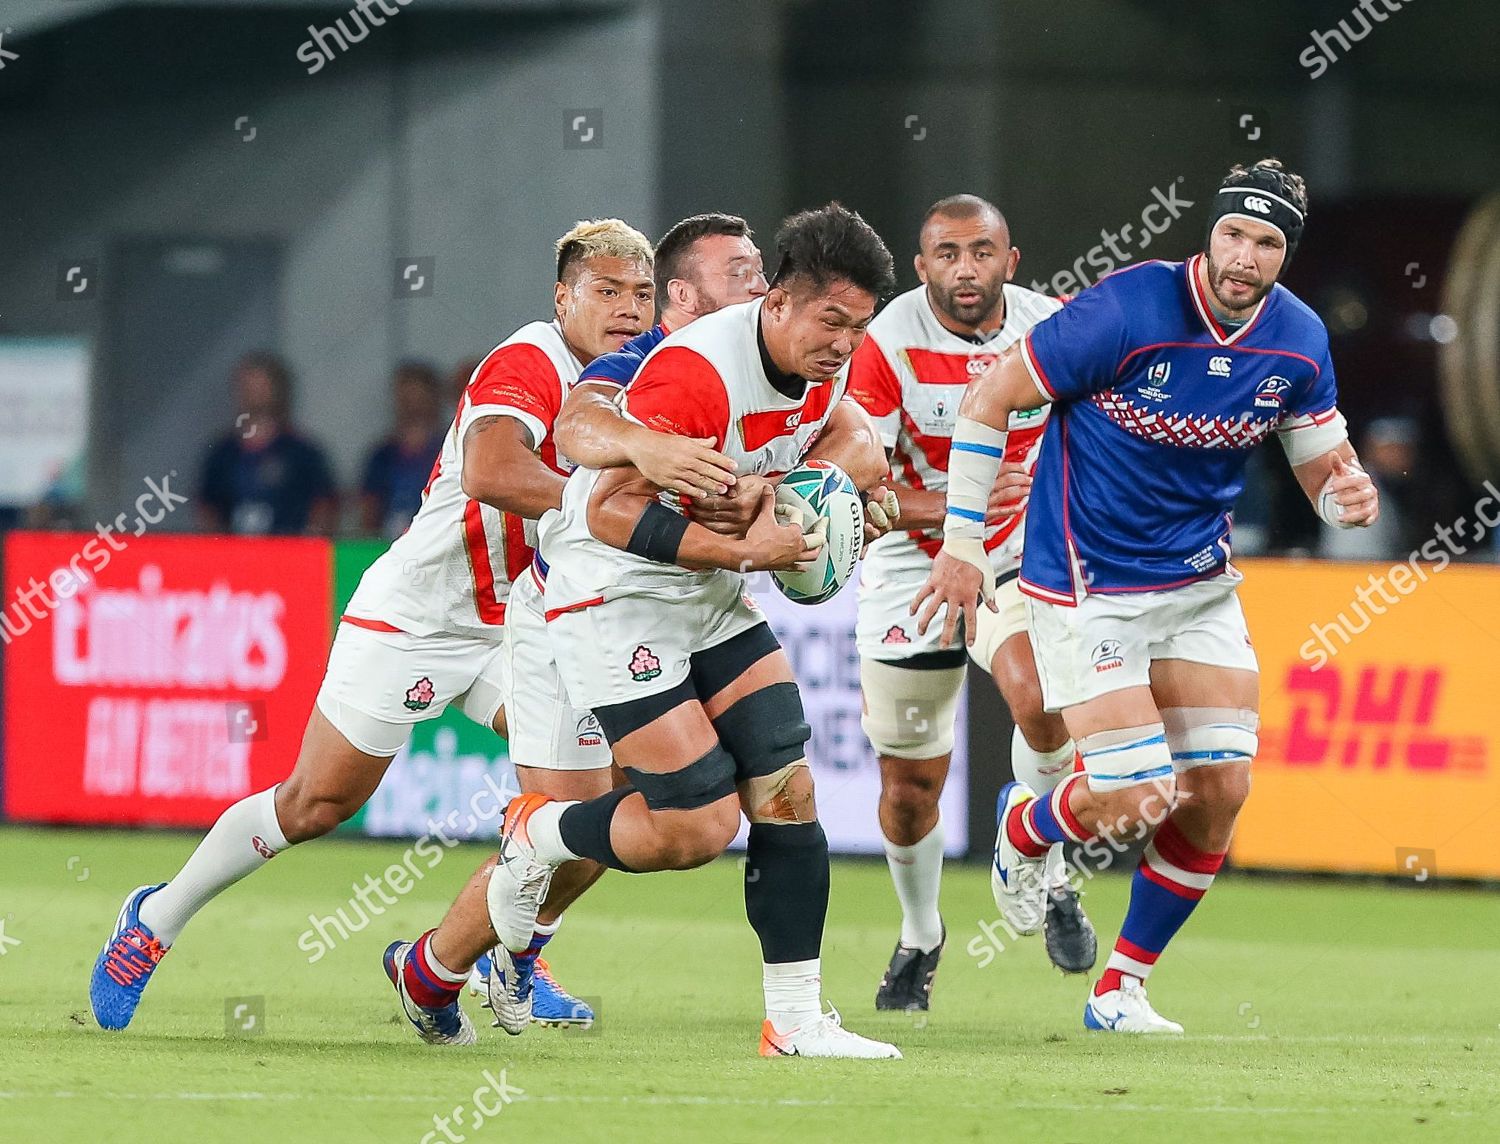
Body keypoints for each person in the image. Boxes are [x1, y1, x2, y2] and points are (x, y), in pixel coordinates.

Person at [88, 220, 674, 1043]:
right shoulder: (530, 361)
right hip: (425, 614)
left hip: (531, 625)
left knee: (593, 809)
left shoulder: (640, 378)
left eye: (640, 293)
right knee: (315, 803)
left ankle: (515, 954)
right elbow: (491, 471)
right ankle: (155, 918)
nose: (626, 308)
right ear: (562, 296)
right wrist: (609, 509)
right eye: (605, 291)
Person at [914, 160, 1380, 1034]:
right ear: (1210, 233)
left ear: (1286, 255)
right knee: (1135, 801)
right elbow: (990, 398)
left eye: (1267, 242)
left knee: (1220, 793)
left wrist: (1342, 498)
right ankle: (1027, 829)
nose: (1245, 255)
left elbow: (1324, 462)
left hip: (1198, 588)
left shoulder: (1300, 338)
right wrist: (963, 546)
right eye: (1233, 234)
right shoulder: (1127, 308)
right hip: (1088, 586)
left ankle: (1118, 990)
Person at [486, 203, 908, 1058]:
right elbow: (607, 514)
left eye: (859, 328)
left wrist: (813, 492)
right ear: (780, 301)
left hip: (704, 591)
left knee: (788, 782)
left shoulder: (822, 365)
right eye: (831, 321)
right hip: (612, 599)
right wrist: (745, 548)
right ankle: (537, 834)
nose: (843, 344)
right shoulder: (697, 373)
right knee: (694, 828)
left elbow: (847, 439)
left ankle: (793, 1022)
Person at [428, 211, 773, 1029]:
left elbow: (840, 435)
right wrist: (650, 460)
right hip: (567, 614)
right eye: (743, 274)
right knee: (318, 805)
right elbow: (577, 429)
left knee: (650, 815)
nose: (761, 289)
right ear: (685, 296)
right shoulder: (636, 366)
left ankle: (505, 953)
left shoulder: (757, 365)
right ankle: (437, 970)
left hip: (671, 612)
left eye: (764, 274)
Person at [847, 194, 1096, 1013]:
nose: (965, 270)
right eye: (947, 255)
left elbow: (1095, 439)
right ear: (921, 269)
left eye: (981, 252)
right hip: (910, 568)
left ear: (1010, 260)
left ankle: (1046, 870)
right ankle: (922, 934)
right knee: (911, 786)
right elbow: (865, 486)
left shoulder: (1052, 326)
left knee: (1042, 708)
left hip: (1020, 561)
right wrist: (961, 511)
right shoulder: (886, 342)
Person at [198, 352, 338, 536]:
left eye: (261, 386)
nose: (255, 393)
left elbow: (323, 504)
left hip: (288, 554)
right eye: (248, 387)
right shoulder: (223, 454)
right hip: (234, 555)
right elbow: (208, 508)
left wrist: (307, 547)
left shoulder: (302, 452)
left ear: (277, 389)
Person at [360, 361, 449, 538]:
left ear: (435, 400)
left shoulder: (451, 451)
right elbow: (368, 513)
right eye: (406, 401)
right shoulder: (382, 456)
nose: (413, 409)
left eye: (420, 400)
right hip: (389, 545)